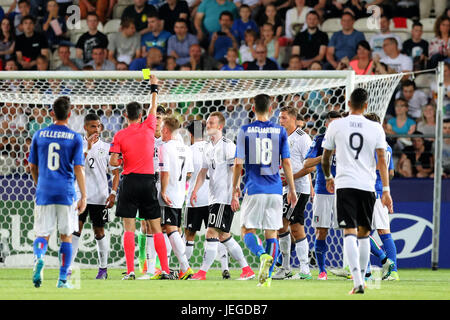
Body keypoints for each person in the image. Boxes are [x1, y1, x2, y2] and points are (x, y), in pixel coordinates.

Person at [321, 88, 393, 294]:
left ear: (348, 104)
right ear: (366, 105)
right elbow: (382, 160)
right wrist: (386, 190)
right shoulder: (376, 128)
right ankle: (363, 277)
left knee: (349, 233)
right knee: (364, 234)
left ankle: (358, 281)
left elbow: (326, 157)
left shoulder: (336, 125)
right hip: (368, 187)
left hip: (345, 185)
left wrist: (328, 177)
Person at [231, 94, 297, 287]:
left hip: (254, 187)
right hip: (276, 189)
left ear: (253, 108)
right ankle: (266, 276)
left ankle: (261, 256)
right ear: (271, 109)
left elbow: (238, 163)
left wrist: (235, 187)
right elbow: (286, 162)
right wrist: (291, 189)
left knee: (246, 230)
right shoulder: (280, 131)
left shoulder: (245, 130)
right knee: (272, 233)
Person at [109, 74, 171, 280]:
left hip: (129, 181)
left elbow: (113, 162)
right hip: (148, 182)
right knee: (155, 226)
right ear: (142, 115)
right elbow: (154, 104)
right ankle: (165, 270)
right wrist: (153, 85)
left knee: (129, 227)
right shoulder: (150, 126)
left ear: (126, 115)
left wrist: (125, 159)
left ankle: (131, 271)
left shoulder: (119, 135)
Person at [28, 96, 87, 289]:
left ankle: (38, 259)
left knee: (42, 234)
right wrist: (83, 196)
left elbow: (32, 166)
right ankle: (62, 280)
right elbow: (79, 168)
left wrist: (40, 183)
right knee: (66, 236)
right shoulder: (75, 137)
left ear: (52, 112)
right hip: (66, 192)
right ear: (69, 114)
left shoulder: (39, 134)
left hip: (44, 191)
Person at [190, 111, 255, 281]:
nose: (208, 125)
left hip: (224, 197)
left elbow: (236, 169)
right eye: (207, 122)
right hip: (214, 197)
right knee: (223, 235)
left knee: (211, 232)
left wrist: (234, 193)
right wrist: (195, 190)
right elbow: (203, 172)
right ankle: (247, 269)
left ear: (220, 126)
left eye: (211, 123)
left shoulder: (228, 145)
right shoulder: (207, 147)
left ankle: (202, 272)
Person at [70, 113, 120, 280]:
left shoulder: (107, 148)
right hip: (80, 195)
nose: (96, 129)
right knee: (76, 229)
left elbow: (115, 172)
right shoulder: (78, 145)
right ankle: (68, 268)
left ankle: (103, 269)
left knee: (99, 231)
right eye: (93, 126)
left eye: (98, 126)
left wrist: (113, 193)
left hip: (100, 197)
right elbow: (73, 167)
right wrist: (88, 148)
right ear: (85, 127)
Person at [273, 106, 314, 280]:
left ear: (292, 119)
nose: (280, 121)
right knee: (293, 227)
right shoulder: (281, 137)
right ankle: (295, 268)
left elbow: (311, 166)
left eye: (283, 118)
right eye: (279, 118)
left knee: (284, 225)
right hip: (286, 188)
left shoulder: (303, 138)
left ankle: (291, 268)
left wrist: (290, 179)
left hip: (297, 189)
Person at [303, 110, 342, 280]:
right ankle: (322, 270)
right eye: (332, 123)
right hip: (322, 190)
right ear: (327, 124)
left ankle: (364, 269)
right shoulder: (319, 140)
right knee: (321, 232)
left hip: (344, 191)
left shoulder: (348, 140)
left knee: (353, 230)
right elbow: (307, 163)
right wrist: (325, 156)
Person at [158, 116, 195, 280]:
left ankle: (185, 267)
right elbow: (189, 173)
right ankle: (167, 267)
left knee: (170, 229)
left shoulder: (164, 148)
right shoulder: (186, 148)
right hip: (180, 193)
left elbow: (164, 173)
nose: (160, 133)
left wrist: (163, 191)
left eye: (161, 130)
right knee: (170, 229)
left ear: (166, 130)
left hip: (169, 193)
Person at [363, 112, 398, 281]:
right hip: (378, 191)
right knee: (374, 233)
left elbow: (379, 166)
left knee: (365, 233)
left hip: (372, 192)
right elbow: (390, 172)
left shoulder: (374, 145)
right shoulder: (387, 146)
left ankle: (386, 263)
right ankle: (387, 270)